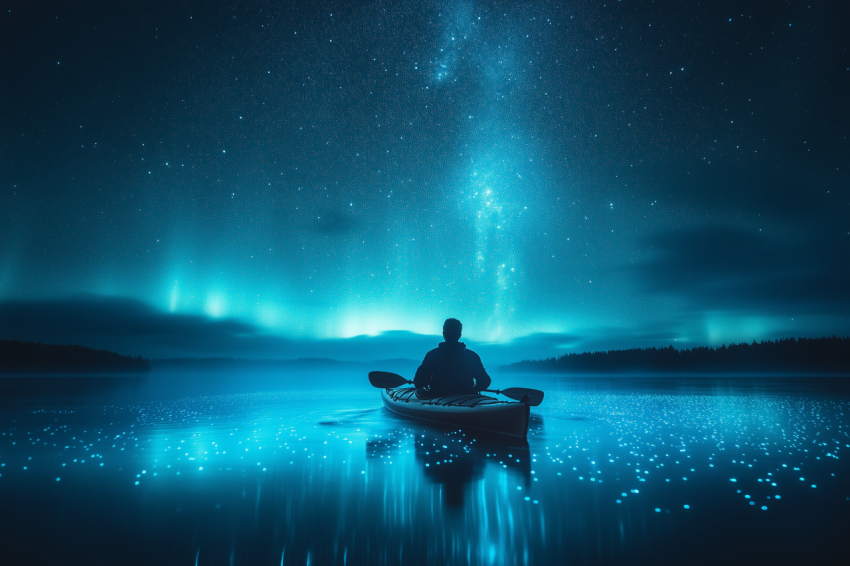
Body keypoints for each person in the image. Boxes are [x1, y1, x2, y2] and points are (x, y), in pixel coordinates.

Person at [413, 318, 492, 398]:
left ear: (443, 334)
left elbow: (419, 382)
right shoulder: (472, 356)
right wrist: (474, 390)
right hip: (467, 398)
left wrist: (428, 385)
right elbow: (485, 381)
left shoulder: (432, 355)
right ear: (459, 335)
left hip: (437, 398)